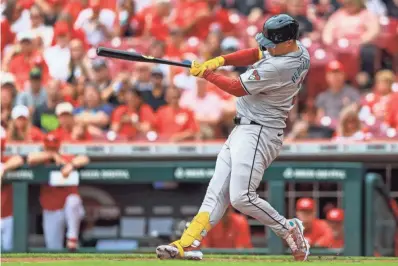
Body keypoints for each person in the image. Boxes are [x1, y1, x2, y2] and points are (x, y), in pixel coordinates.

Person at [156, 14, 311, 261]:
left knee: (241, 197)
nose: (267, 46)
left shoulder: (281, 66)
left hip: (261, 132)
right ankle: (185, 244)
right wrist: (219, 61)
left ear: (289, 41)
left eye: (273, 42)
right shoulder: (298, 50)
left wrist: (206, 74)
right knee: (215, 192)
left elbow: (237, 88)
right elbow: (256, 53)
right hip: (243, 129)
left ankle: (289, 229)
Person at [27, 133, 89, 251]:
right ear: (44, 147)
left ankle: (72, 238)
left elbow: (84, 158)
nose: (52, 149)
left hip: (68, 208)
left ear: (59, 146)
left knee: (73, 201)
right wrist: (51, 155)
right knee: (53, 249)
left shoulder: (66, 156)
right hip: (51, 208)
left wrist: (71, 165)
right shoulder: (41, 158)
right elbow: (30, 158)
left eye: (54, 147)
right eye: (49, 147)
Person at [0, 126, 25, 251]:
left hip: (7, 215)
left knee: (8, 254)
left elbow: (18, 159)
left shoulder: (5, 158)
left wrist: (3, 168)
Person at [315, 60, 360, 127]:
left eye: (338, 73)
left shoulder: (352, 93)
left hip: (346, 128)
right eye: (332, 74)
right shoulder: (322, 96)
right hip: (328, 129)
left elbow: (356, 111)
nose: (335, 77)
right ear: (327, 77)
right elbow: (319, 117)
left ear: (344, 75)